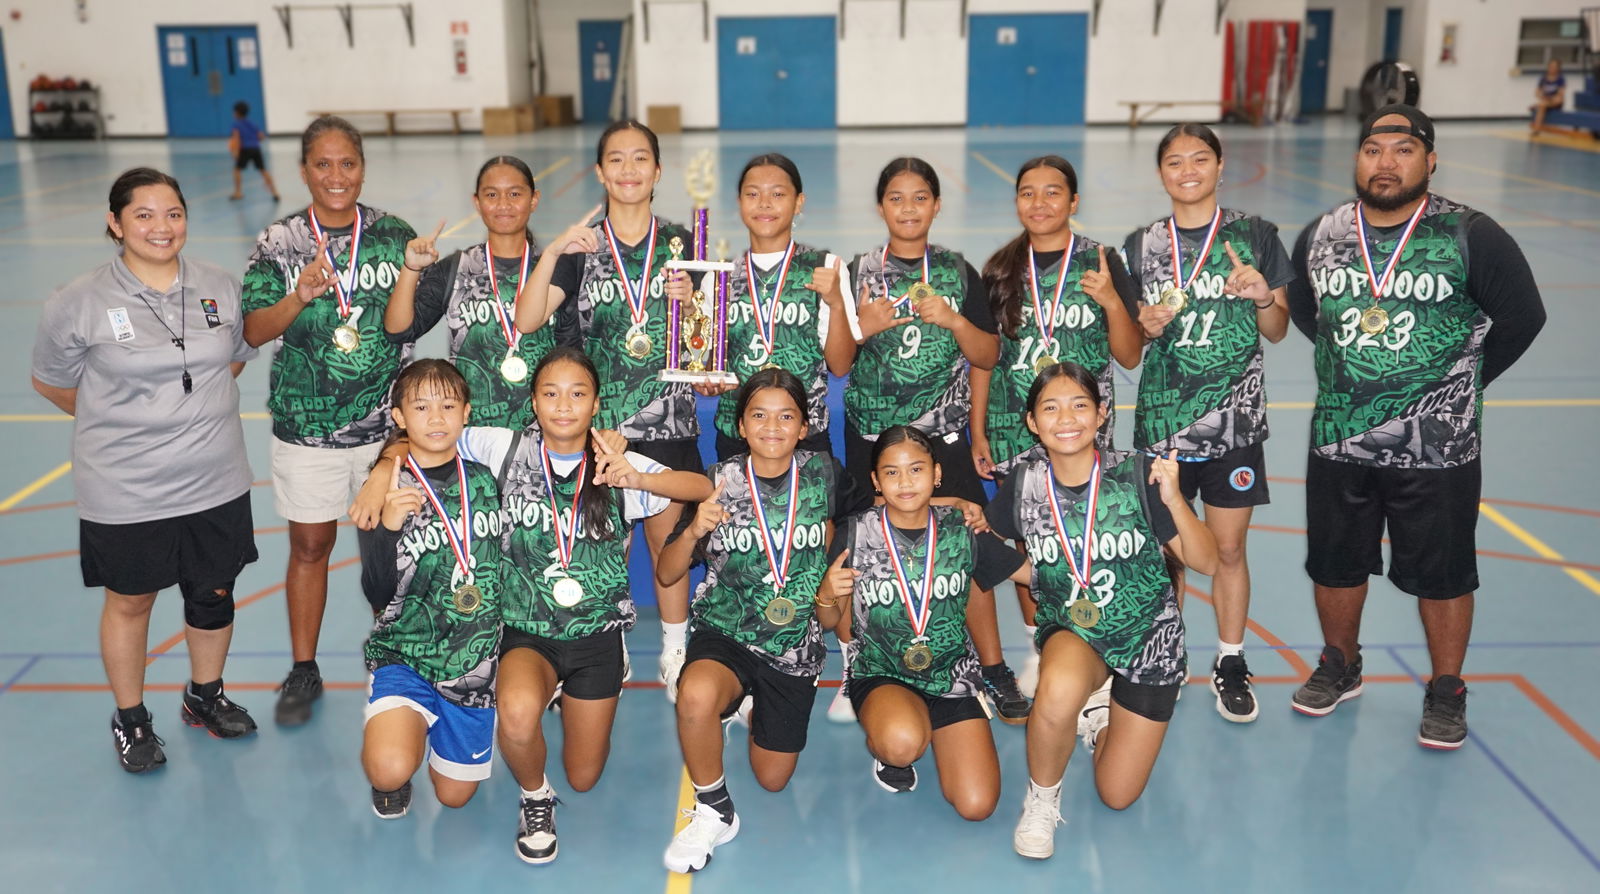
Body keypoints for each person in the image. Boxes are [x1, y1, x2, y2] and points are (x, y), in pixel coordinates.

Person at [352, 347, 712, 860]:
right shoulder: (503, 448)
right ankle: (535, 795)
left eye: (577, 394)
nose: (563, 405)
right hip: (525, 630)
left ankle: (591, 679)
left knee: (584, 777)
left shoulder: (614, 461)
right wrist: (382, 469)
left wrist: (638, 478)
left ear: (595, 405)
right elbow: (426, 431)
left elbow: (700, 486)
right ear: (534, 403)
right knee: (517, 715)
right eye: (550, 394)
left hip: (595, 634)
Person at [1286, 104, 1545, 749]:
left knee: (1445, 572)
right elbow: (1306, 310)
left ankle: (1447, 688)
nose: (1386, 162)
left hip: (1439, 447)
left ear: (1430, 161)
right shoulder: (1322, 233)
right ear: (1358, 159)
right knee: (1335, 564)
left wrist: (1457, 383)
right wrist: (1355, 369)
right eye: (1374, 149)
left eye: (1403, 150)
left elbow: (1523, 316)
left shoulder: (1470, 233)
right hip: (1340, 437)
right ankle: (1340, 664)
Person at [31, 167, 260, 772]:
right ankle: (131, 718)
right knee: (131, 602)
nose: (162, 227)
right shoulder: (78, 301)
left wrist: (191, 411)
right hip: (126, 489)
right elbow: (52, 382)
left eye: (174, 214)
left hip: (217, 480)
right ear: (115, 223)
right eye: (144, 215)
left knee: (213, 592)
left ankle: (204, 695)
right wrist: (128, 422)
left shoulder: (218, 284)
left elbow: (232, 358)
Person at [988, 362, 1217, 860]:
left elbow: (1207, 561)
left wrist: (1175, 500)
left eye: (1079, 405)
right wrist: (1038, 573)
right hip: (1075, 630)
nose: (1066, 418)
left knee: (1117, 794)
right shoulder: (1025, 484)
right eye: (1050, 408)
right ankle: (1042, 800)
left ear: (1101, 414)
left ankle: (1100, 715)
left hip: (1148, 640)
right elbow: (985, 546)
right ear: (1032, 422)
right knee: (1056, 691)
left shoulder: (1137, 474)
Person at [656, 368, 873, 874]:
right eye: (758, 415)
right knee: (695, 694)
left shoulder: (826, 474)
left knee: (773, 778)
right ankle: (714, 808)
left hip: (794, 644)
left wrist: (835, 562)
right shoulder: (718, 481)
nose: (772, 427)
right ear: (741, 424)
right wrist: (693, 533)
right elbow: (667, 574)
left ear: (804, 427)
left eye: (786, 417)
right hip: (725, 630)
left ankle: (750, 703)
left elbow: (870, 517)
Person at [515, 120, 700, 700]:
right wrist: (552, 251)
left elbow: (705, 344)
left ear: (658, 170)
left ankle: (675, 647)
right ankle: (606, 638)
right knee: (599, 542)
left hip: (668, 418)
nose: (628, 170)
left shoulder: (684, 244)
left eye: (640, 158)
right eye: (616, 159)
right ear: (599, 172)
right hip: (597, 424)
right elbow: (527, 319)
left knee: (666, 543)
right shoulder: (583, 248)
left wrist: (694, 302)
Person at [242, 115, 418, 726]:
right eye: (323, 164)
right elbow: (253, 330)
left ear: (362, 168)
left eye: (347, 163)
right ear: (304, 171)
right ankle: (304, 667)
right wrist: (299, 296)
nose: (336, 175)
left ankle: (394, 659)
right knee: (310, 546)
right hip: (306, 426)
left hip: (387, 429)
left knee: (389, 550)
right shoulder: (280, 241)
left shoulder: (395, 236)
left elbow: (411, 323)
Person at [838, 156, 1021, 726]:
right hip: (873, 441)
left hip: (942, 441)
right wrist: (859, 327)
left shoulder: (958, 272)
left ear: (937, 205)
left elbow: (986, 355)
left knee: (965, 546)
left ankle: (993, 668)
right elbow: (836, 360)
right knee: (867, 551)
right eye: (896, 197)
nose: (909, 208)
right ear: (880, 207)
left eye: (920, 197)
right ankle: (861, 667)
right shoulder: (857, 271)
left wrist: (955, 322)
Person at [1123, 123, 1293, 723]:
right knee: (1167, 553)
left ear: (1221, 167)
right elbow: (1130, 349)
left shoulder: (1255, 236)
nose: (1188, 170)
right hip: (1163, 428)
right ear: (1161, 173)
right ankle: (1165, 653)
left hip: (1234, 428)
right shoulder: (1140, 246)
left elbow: (1278, 330)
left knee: (1227, 548)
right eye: (1175, 161)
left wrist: (1263, 296)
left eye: (1200, 158)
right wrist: (1143, 325)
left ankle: (1230, 658)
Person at [969, 154, 1142, 715]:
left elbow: (1129, 355)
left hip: (1079, 434)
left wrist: (1111, 300)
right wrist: (977, 430)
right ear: (1016, 201)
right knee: (1032, 544)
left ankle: (1093, 645)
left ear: (1073, 201)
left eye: (1052, 192)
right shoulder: (999, 270)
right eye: (1028, 192)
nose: (1039, 203)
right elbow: (986, 360)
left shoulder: (1102, 261)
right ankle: (1040, 645)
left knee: (1084, 539)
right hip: (1014, 429)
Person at [829, 425, 1031, 818]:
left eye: (916, 469)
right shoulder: (856, 532)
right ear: (876, 480)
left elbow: (1030, 574)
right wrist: (826, 593)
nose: (905, 482)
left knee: (977, 805)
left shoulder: (960, 529)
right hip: (884, 671)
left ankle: (936, 723)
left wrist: (1088, 574)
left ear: (937, 474)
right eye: (892, 472)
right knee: (901, 742)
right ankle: (891, 749)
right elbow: (827, 617)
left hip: (951, 674)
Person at [360, 360, 508, 820]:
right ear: (400, 417)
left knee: (454, 797)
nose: (436, 418)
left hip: (475, 662)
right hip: (406, 651)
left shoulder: (489, 478)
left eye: (448, 405)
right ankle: (398, 742)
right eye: (421, 407)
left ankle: (433, 730)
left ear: (466, 412)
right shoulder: (386, 488)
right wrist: (386, 530)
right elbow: (376, 593)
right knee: (388, 768)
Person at [665, 152, 862, 462]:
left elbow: (840, 365)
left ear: (799, 202)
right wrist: (706, 381)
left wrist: (836, 303)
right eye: (753, 194)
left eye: (778, 194)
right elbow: (706, 362)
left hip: (805, 435)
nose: (765, 204)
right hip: (738, 435)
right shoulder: (720, 277)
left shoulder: (826, 267)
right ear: (740, 203)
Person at [385, 155, 577, 429]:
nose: (503, 204)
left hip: (543, 429)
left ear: (534, 200)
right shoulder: (455, 269)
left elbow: (571, 352)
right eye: (491, 195)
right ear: (477, 202)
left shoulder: (554, 269)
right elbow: (399, 331)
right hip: (471, 432)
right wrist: (411, 268)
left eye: (515, 194)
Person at [227, 101, 280, 202]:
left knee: (237, 170)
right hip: (256, 148)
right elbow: (261, 136)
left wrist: (235, 152)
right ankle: (275, 192)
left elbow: (236, 138)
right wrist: (253, 140)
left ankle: (238, 192)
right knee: (263, 170)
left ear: (237, 113)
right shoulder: (251, 123)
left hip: (245, 149)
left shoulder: (236, 124)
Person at [1531, 59, 1567, 134]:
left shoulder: (1560, 79)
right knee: (1542, 105)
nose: (1552, 68)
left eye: (1554, 67)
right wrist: (1541, 96)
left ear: (1558, 68)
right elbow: (1537, 92)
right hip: (1546, 101)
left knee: (1557, 99)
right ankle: (1536, 129)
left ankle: (1537, 105)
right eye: (1550, 66)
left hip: (1556, 102)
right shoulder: (1543, 78)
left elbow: (1561, 93)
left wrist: (1550, 98)